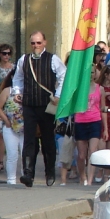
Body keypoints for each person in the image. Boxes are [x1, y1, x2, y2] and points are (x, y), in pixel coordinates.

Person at [11, 31, 67, 187]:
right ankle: (28, 173)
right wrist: (17, 92)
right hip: (29, 104)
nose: (35, 46)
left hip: (46, 106)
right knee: (29, 140)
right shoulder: (24, 59)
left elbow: (63, 75)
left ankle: (50, 172)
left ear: (44, 43)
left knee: (48, 140)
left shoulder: (53, 59)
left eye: (38, 42)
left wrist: (58, 94)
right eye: (33, 43)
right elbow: (18, 78)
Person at [73, 64, 106, 186]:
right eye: (88, 73)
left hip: (95, 121)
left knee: (92, 151)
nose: (90, 75)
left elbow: (102, 109)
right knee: (81, 155)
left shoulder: (100, 88)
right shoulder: (78, 89)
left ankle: (90, 181)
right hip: (80, 121)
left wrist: (105, 128)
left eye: (92, 72)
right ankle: (83, 176)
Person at [0, 70, 24, 185]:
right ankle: (11, 179)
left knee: (25, 153)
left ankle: (25, 177)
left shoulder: (29, 90)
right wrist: (6, 120)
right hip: (10, 127)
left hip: (25, 127)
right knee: (12, 154)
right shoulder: (8, 91)